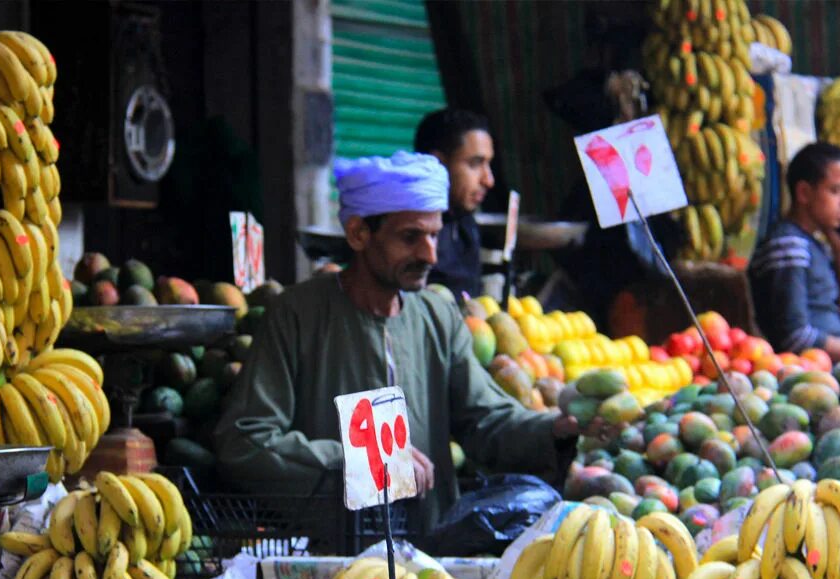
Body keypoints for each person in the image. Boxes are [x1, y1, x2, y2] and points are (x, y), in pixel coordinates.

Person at [213, 152, 582, 536]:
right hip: (330, 555)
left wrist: (555, 429)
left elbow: (486, 420)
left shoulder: (438, 317)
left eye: (434, 235)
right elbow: (246, 442)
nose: (430, 254)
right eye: (410, 237)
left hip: (431, 557)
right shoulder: (296, 315)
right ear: (358, 233)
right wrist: (360, 462)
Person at [748, 142, 840, 362]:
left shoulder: (815, 245)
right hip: (813, 369)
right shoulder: (788, 245)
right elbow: (795, 338)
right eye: (836, 191)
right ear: (804, 193)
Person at [413, 108, 495, 299]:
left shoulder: (464, 220)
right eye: (475, 164)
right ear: (437, 163)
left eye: (488, 164)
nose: (488, 180)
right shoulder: (410, 231)